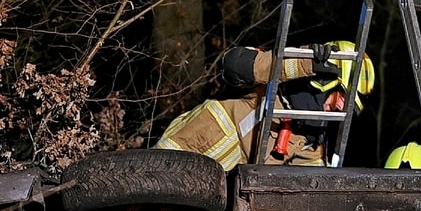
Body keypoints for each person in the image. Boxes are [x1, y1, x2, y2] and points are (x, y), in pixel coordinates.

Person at [155, 41, 374, 170]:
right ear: (327, 80)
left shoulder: (311, 138)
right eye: (342, 97)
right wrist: (304, 62)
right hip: (173, 161)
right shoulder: (270, 85)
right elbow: (235, 64)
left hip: (208, 199)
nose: (340, 109)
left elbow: (309, 184)